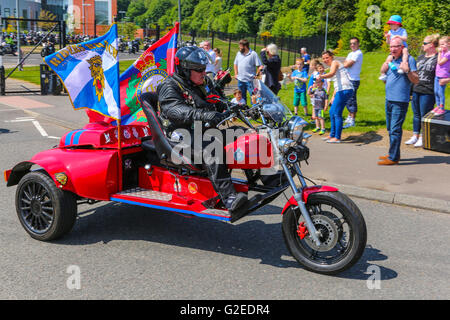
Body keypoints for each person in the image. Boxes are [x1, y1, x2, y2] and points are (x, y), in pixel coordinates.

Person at [155, 46, 248, 218]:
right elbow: (175, 111)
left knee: (242, 134)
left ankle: (267, 178)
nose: (203, 72)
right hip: (179, 137)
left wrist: (235, 107)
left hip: (202, 133)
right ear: (184, 69)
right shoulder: (170, 87)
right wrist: (205, 114)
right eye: (198, 69)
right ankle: (229, 198)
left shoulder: (203, 83)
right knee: (211, 148)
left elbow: (218, 100)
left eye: (204, 69)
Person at [378, 37, 419, 165]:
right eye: (391, 46)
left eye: (396, 46)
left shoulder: (409, 60)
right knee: (390, 129)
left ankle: (394, 158)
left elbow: (416, 80)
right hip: (389, 99)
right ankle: (392, 153)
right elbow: (387, 76)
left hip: (400, 100)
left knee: (395, 129)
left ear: (402, 47)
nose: (393, 49)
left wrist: (407, 71)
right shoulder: (392, 59)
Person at [405, 34, 439, 147]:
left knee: (424, 114)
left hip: (428, 90)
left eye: (424, 43)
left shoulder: (438, 58)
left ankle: (423, 136)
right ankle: (415, 135)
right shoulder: (420, 57)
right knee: (416, 114)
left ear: (431, 45)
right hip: (416, 88)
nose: (422, 45)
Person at [317, 50, 354, 144]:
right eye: (324, 58)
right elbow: (337, 83)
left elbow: (332, 73)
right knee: (331, 111)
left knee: (337, 113)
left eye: (327, 57)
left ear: (331, 57)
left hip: (345, 90)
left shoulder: (335, 62)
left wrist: (321, 76)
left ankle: (337, 137)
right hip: (341, 90)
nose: (325, 60)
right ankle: (332, 134)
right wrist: (333, 96)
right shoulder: (332, 65)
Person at [379, 15, 409, 81]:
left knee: (405, 52)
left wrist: (398, 36)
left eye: (391, 24)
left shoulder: (402, 30)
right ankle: (383, 73)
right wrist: (387, 37)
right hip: (394, 49)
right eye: (390, 24)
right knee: (388, 60)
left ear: (397, 24)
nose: (390, 25)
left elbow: (405, 39)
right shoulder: (390, 32)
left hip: (402, 47)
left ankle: (403, 65)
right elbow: (388, 43)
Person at [233, 39, 263, 104]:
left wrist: (257, 74)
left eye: (240, 46)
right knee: (242, 97)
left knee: (253, 96)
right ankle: (244, 111)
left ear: (245, 46)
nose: (239, 48)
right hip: (240, 80)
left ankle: (254, 110)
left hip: (250, 80)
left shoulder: (253, 54)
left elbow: (260, 66)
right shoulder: (238, 53)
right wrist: (236, 74)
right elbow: (235, 64)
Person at [343, 37, 363, 128]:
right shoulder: (351, 53)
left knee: (351, 99)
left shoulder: (358, 53)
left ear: (358, 44)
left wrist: (346, 63)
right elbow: (345, 63)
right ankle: (349, 116)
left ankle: (352, 120)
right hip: (348, 78)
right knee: (348, 99)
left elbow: (347, 64)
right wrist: (346, 63)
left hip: (353, 79)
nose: (352, 45)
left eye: (354, 43)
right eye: (351, 43)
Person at [432, 36, 449, 115]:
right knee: (436, 91)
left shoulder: (448, 54)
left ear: (448, 44)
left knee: (440, 92)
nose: (441, 46)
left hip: (443, 76)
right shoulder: (443, 52)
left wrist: (439, 53)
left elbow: (440, 62)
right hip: (437, 75)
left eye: (443, 44)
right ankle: (438, 106)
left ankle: (442, 108)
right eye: (440, 44)